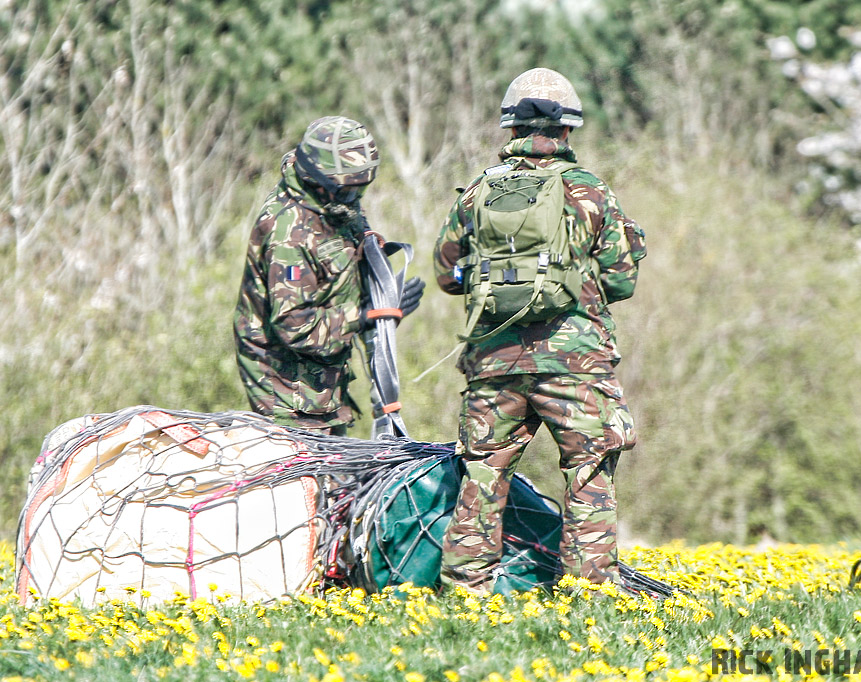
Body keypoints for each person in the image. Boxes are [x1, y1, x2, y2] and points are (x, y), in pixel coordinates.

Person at [434, 68, 646, 593]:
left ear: (510, 128)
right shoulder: (591, 192)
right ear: (568, 129)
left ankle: (463, 592)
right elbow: (621, 280)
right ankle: (587, 594)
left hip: (494, 362)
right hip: (574, 363)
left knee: (482, 475)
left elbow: (446, 274)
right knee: (588, 472)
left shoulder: (478, 191)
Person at [234, 116, 425, 436]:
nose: (356, 198)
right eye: (349, 190)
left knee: (338, 475)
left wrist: (384, 295)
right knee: (312, 478)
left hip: (324, 375)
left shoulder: (332, 203)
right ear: (320, 181)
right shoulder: (288, 233)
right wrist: (365, 316)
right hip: (287, 387)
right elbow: (294, 326)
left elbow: (344, 261)